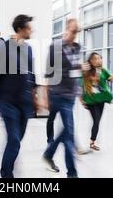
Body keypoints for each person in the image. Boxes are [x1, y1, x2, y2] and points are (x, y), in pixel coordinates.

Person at [0, 15, 39, 178]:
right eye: (29, 27)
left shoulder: (29, 49)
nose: (31, 30)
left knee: (16, 142)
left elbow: (31, 75)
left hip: (24, 104)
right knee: (14, 141)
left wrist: (35, 97)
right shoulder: (4, 47)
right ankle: (6, 175)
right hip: (8, 103)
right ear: (20, 29)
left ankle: (9, 168)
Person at [42, 19, 82, 178]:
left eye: (76, 31)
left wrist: (81, 68)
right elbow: (48, 72)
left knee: (67, 130)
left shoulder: (77, 48)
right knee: (69, 133)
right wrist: (45, 96)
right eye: (72, 31)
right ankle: (72, 173)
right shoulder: (55, 47)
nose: (74, 34)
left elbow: (74, 69)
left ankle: (48, 154)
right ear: (66, 30)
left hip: (70, 95)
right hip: (58, 94)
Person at [82, 52, 113, 152]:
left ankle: (92, 142)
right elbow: (81, 84)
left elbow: (109, 77)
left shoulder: (102, 70)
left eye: (99, 58)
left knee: (97, 121)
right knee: (96, 120)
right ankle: (92, 141)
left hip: (101, 99)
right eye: (95, 59)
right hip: (90, 100)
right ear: (91, 61)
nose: (98, 60)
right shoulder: (86, 71)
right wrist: (82, 100)